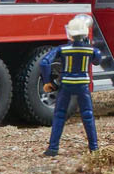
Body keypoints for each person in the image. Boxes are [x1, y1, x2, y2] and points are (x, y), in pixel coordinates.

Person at [39, 15, 106, 156]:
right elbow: (97, 61)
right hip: (83, 86)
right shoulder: (91, 50)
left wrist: (47, 81)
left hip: (66, 85)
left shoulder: (62, 49)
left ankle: (53, 148)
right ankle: (94, 148)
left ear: (69, 33)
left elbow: (44, 62)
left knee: (59, 115)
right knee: (87, 115)